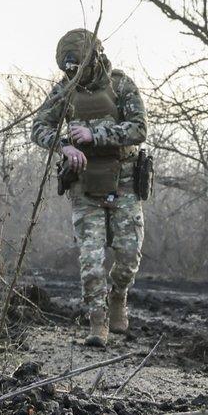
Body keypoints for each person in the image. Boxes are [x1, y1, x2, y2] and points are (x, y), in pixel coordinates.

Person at [29, 28, 150, 347]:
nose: (73, 74)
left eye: (77, 67)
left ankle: (117, 298)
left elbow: (139, 129)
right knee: (90, 259)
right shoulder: (64, 90)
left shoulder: (121, 85)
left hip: (123, 181)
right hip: (84, 183)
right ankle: (98, 322)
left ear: (94, 58)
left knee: (127, 255)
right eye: (67, 70)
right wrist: (65, 146)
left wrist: (97, 136)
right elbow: (39, 127)